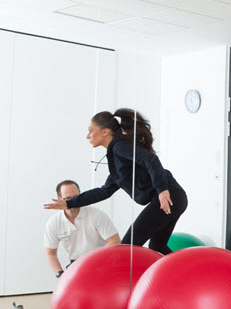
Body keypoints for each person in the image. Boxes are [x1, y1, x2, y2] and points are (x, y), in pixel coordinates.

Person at [43, 109, 187, 256]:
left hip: (169, 197)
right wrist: (69, 203)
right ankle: (187, 272)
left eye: (91, 131)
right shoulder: (117, 161)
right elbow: (104, 191)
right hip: (175, 198)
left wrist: (162, 190)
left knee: (127, 247)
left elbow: (150, 159)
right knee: (157, 246)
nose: (88, 136)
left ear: (105, 132)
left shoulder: (119, 147)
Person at [43, 179, 120, 277]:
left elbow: (115, 241)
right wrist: (60, 274)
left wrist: (93, 261)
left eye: (76, 197)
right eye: (68, 198)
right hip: (76, 264)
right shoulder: (54, 222)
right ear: (59, 199)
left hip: (102, 261)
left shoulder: (96, 215)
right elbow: (51, 253)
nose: (72, 201)